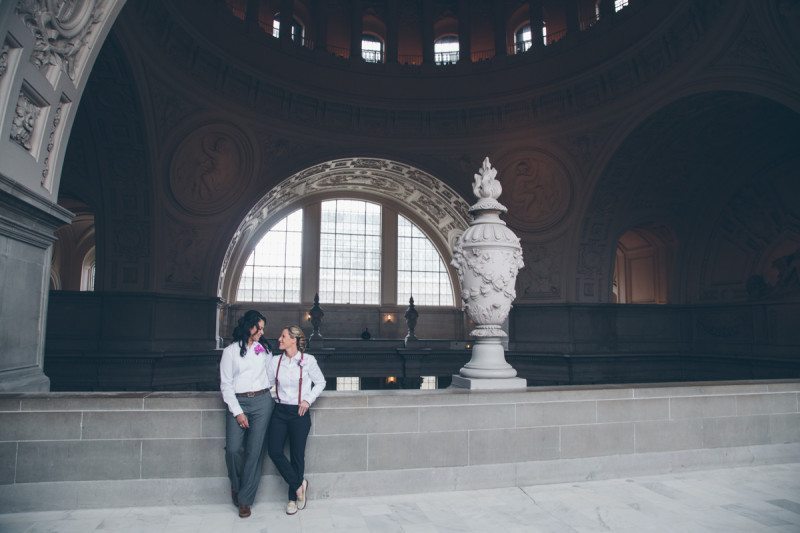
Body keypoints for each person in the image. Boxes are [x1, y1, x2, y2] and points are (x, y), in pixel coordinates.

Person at [219, 309, 274, 518]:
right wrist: (238, 412)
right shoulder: (230, 352)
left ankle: (245, 500)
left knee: (255, 452)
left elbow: (271, 377)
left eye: (262, 329)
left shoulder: (265, 350)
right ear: (248, 326)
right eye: (258, 328)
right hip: (238, 401)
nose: (261, 332)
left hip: (262, 402)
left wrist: (273, 397)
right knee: (233, 450)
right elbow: (226, 385)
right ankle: (236, 485)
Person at [267, 325, 326, 515]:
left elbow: (321, 382)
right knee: (274, 450)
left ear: (294, 339)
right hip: (280, 411)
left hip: (299, 414)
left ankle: (292, 498)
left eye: (283, 336)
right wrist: (277, 397)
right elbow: (269, 384)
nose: (279, 339)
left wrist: (308, 400)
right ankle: (300, 485)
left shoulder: (308, 360)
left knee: (297, 456)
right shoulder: (275, 361)